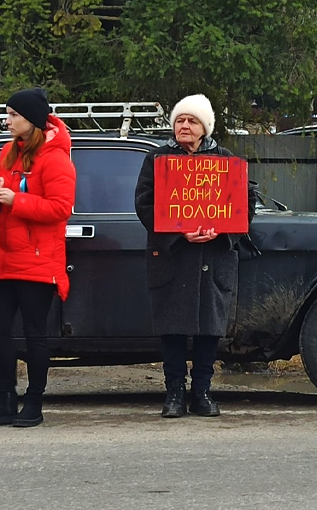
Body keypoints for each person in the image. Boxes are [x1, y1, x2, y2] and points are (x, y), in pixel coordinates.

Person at [134, 94, 256, 418]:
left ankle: (202, 391)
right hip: (171, 257)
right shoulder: (157, 160)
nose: (184, 126)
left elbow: (246, 205)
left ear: (205, 127)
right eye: (179, 120)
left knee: (209, 328)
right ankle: (174, 392)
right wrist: (177, 233)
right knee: (172, 327)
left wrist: (223, 232)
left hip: (212, 258)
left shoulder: (226, 160)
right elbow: (144, 204)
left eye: (192, 121)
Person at [0, 88, 76, 428]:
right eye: (8, 114)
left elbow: (61, 208)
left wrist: (16, 200)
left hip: (38, 259)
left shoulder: (56, 158)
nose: (7, 121)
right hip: (4, 256)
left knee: (34, 333)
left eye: (13, 115)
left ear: (31, 120)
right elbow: (2, 191)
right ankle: (5, 398)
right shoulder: (8, 150)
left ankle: (34, 402)